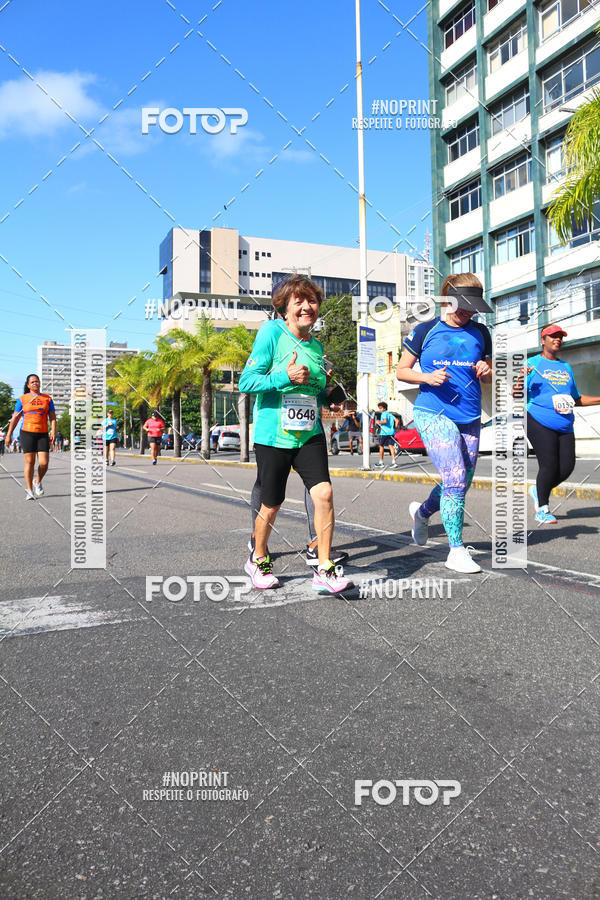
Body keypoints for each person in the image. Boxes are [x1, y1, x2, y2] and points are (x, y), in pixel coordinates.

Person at [238, 274, 352, 593]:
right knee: (272, 504)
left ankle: (325, 568)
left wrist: (329, 395)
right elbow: (246, 382)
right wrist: (282, 376)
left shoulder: (316, 346)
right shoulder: (271, 333)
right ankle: (258, 558)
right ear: (285, 308)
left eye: (312, 301)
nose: (306, 307)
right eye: (298, 301)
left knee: (325, 493)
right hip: (274, 434)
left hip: (309, 432)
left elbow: (312, 390)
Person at [396, 273, 493, 574]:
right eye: (463, 304)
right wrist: (426, 377)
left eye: (474, 306)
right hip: (433, 412)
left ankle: (422, 513)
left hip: (470, 415)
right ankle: (456, 551)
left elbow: (488, 374)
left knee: (460, 482)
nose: (469, 311)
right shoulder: (426, 330)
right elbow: (401, 371)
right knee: (454, 476)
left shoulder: (481, 333)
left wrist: (486, 368)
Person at [514, 323, 600, 525]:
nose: (557, 339)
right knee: (549, 465)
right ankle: (542, 507)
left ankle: (538, 489)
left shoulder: (565, 367)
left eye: (560, 336)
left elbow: (576, 399)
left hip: (565, 423)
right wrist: (520, 380)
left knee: (567, 467)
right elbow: (516, 394)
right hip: (537, 419)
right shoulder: (532, 363)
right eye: (553, 336)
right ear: (542, 340)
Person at [5, 373, 56, 500]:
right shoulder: (22, 399)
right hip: (27, 432)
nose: (35, 383)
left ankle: (37, 481)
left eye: (37, 381)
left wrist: (53, 431)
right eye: (32, 382)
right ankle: (29, 490)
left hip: (43, 433)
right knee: (30, 462)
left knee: (44, 463)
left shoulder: (47, 399)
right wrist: (9, 434)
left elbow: (53, 418)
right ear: (28, 385)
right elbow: (15, 419)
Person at [374, 402, 400, 468]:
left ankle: (381, 462)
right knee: (391, 446)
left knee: (381, 446)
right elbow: (397, 420)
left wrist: (378, 422)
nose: (379, 410)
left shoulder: (384, 413)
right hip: (391, 432)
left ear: (384, 408)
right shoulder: (390, 414)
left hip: (384, 433)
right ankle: (394, 462)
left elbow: (385, 421)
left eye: (380, 408)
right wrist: (395, 427)